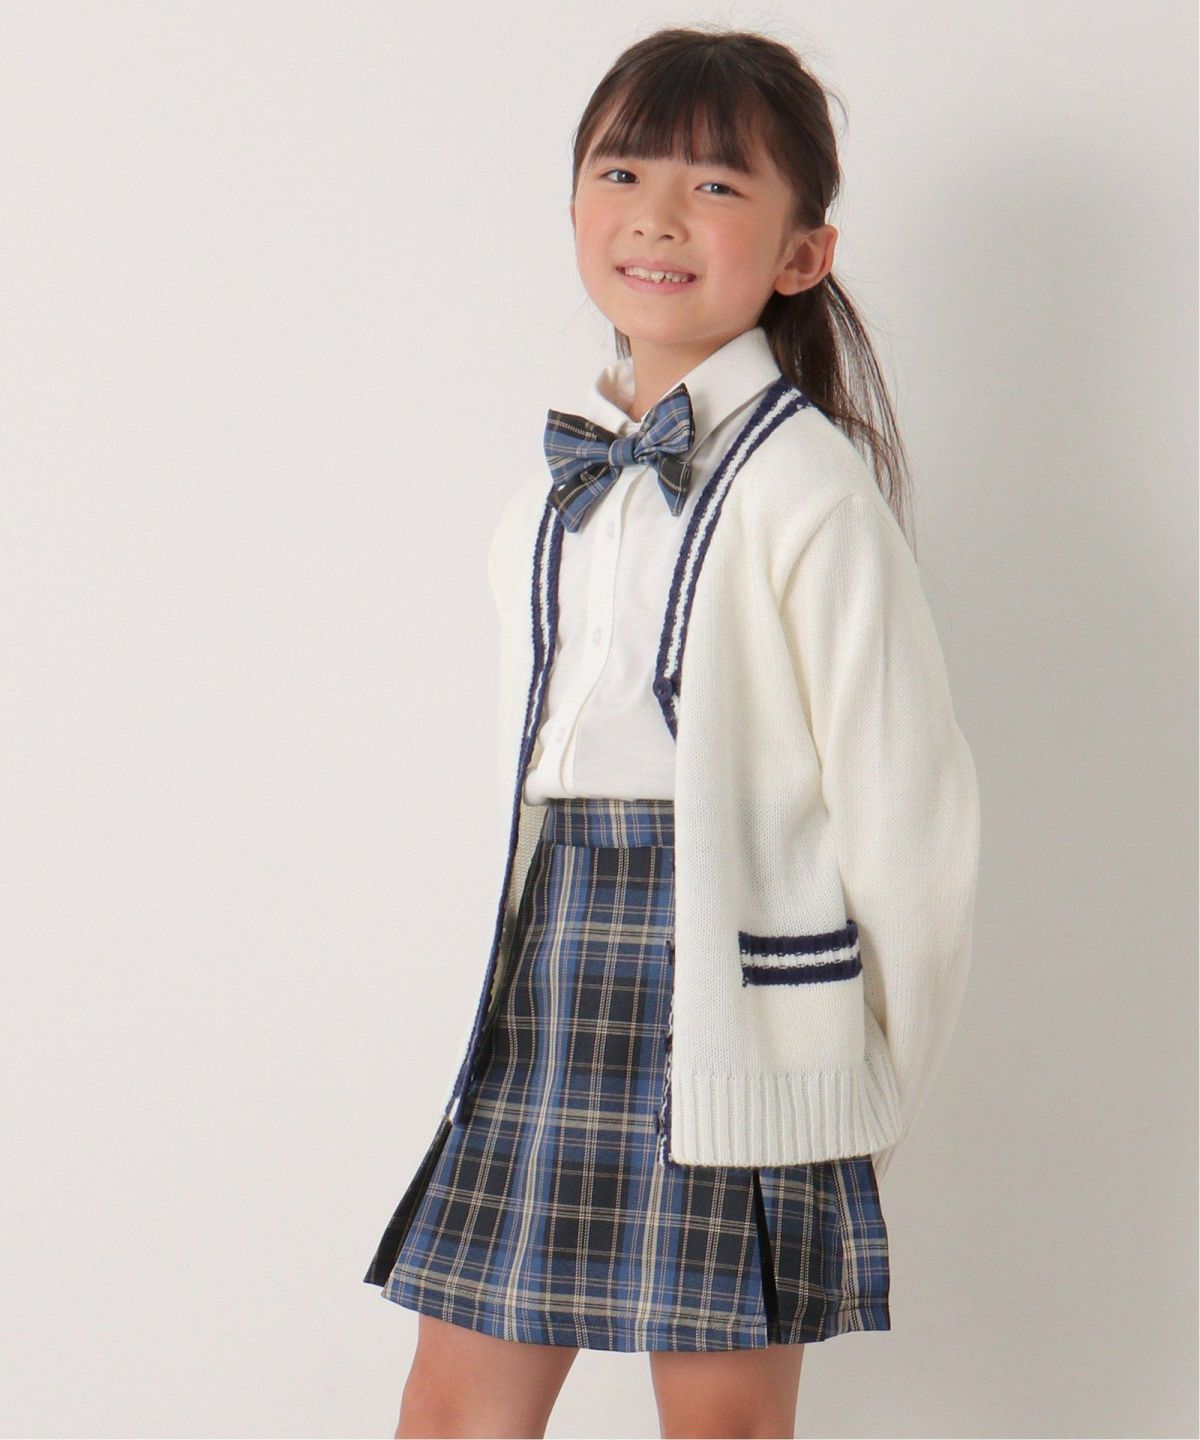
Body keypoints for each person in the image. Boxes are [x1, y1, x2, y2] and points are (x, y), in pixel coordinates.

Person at [363, 24, 981, 1440]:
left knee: (722, 1422)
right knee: (454, 1407)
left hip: (737, 1001)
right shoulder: (560, 487)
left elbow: (912, 820)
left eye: (714, 186)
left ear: (802, 255)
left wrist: (866, 1084)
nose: (654, 215)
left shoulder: (809, 491)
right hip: (556, 962)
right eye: (621, 171)